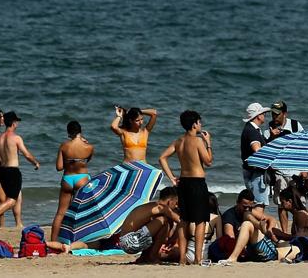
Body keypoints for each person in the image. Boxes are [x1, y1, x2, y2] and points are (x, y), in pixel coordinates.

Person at [48, 186, 184, 259]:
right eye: (176, 203)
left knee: (160, 223)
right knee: (163, 221)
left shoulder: (151, 207)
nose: (176, 206)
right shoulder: (162, 208)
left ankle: (145, 257)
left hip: (127, 241)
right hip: (129, 242)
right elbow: (179, 220)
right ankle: (152, 257)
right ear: (170, 201)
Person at [159, 110, 214, 265]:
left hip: (183, 182)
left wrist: (171, 177)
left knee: (184, 220)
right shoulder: (197, 141)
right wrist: (208, 143)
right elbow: (208, 161)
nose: (200, 125)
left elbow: (162, 157)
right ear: (194, 123)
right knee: (200, 221)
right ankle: (197, 258)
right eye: (199, 122)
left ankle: (182, 258)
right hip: (197, 183)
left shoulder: (179, 141)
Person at [0, 111, 38, 227]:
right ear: (14, 123)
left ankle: (18, 223)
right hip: (13, 171)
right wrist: (35, 163)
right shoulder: (16, 138)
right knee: (12, 200)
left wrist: (1, 166)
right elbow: (27, 154)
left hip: (2, 171)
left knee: (18, 195)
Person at [52, 120, 94, 241]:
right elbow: (87, 161)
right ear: (80, 131)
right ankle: (79, 239)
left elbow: (59, 167)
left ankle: (53, 242)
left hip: (67, 179)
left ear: (69, 133)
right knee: (82, 212)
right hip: (82, 178)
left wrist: (69, 162)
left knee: (60, 213)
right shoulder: (89, 147)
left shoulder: (64, 146)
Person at [239, 102, 270, 206]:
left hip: (250, 171)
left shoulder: (250, 129)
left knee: (255, 204)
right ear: (258, 116)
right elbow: (257, 150)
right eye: (263, 114)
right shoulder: (252, 131)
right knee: (259, 205)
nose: (264, 116)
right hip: (256, 173)